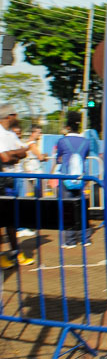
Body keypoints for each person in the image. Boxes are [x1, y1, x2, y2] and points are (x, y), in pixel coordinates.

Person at [51, 113, 93, 249]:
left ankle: (70, 240)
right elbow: (85, 157)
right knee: (81, 208)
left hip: (66, 179)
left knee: (68, 208)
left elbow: (59, 158)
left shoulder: (62, 141)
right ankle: (85, 238)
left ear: (68, 126)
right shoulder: (86, 142)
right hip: (81, 178)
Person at [0, 105, 31, 268]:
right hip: (3, 180)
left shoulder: (11, 133)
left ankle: (14, 253)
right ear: (8, 116)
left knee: (11, 220)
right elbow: (5, 158)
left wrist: (15, 153)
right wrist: (15, 153)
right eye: (15, 114)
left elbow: (24, 152)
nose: (17, 116)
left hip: (9, 180)